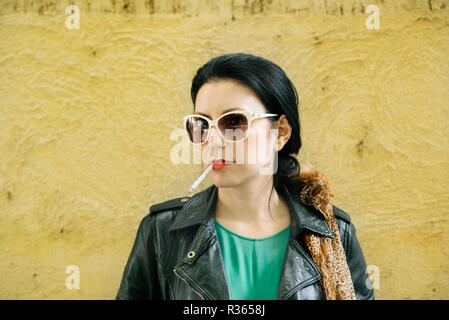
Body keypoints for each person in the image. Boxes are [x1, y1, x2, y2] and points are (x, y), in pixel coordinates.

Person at [116, 53, 374, 300]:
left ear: (280, 133)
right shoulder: (162, 232)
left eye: (234, 122)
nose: (214, 141)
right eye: (202, 124)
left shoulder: (332, 232)